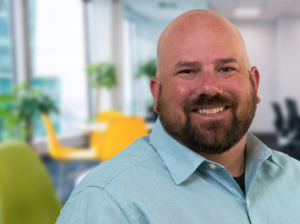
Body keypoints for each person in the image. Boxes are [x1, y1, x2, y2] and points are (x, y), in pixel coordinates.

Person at [56, 9, 300, 224]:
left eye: (226, 68)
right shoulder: (106, 202)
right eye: (187, 71)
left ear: (254, 84)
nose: (209, 87)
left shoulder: (295, 177)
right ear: (157, 93)